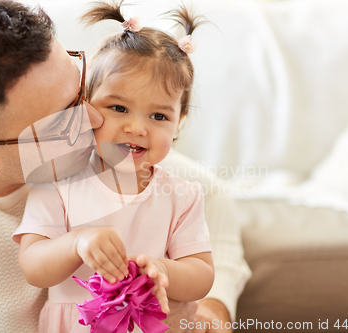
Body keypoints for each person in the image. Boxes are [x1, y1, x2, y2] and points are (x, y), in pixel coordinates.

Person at [0, 0, 248, 332]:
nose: (94, 118)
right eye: (64, 118)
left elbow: (204, 191)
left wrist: (209, 312)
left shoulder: (97, 144)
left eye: (80, 88)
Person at [12, 2, 215, 332]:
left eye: (159, 116)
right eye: (119, 107)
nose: (137, 128)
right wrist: (77, 243)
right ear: (86, 106)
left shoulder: (182, 195)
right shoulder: (57, 180)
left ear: (179, 124)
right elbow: (33, 266)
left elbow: (202, 274)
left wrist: (165, 271)